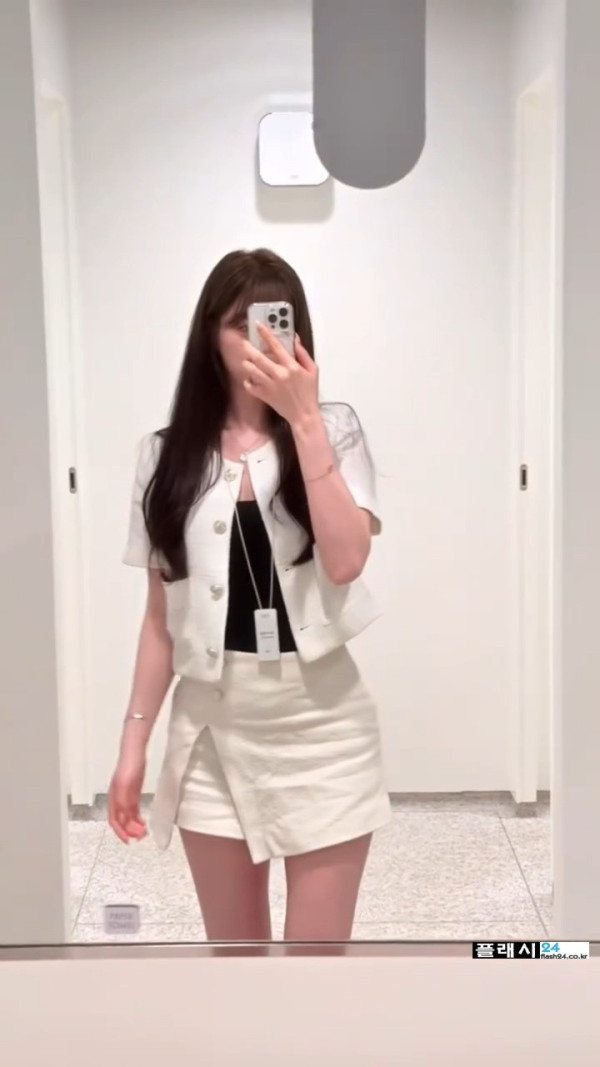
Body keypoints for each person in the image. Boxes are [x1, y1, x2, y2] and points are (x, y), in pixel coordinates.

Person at [108, 248, 391, 942]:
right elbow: (159, 620)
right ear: (210, 334)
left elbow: (346, 561)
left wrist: (304, 421)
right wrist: (133, 744)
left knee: (316, 964)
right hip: (212, 732)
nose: (262, 338)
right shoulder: (165, 455)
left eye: (276, 320)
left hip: (323, 726)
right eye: (241, 323)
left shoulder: (333, 428)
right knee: (237, 962)